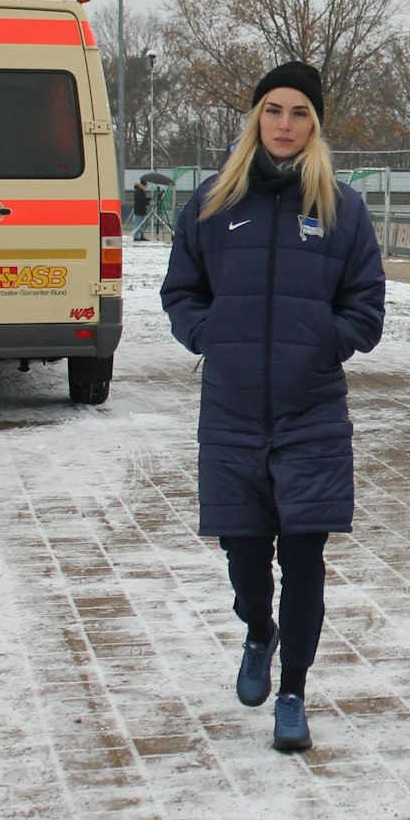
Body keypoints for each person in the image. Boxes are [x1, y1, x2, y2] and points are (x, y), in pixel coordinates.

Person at [161, 60, 386, 754]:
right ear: (255, 116)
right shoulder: (211, 203)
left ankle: (294, 690)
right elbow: (181, 292)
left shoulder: (341, 209)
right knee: (246, 558)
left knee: (306, 557)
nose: (285, 125)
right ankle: (259, 629)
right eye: (274, 110)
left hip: (310, 413)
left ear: (315, 126)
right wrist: (212, 337)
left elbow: (367, 308)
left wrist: (325, 341)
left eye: (299, 114)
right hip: (230, 412)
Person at [131, 177, 151, 242]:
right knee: (138, 224)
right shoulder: (140, 191)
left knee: (141, 224)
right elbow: (141, 200)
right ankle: (136, 237)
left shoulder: (139, 190)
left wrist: (147, 199)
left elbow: (142, 199)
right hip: (140, 210)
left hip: (140, 210)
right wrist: (147, 202)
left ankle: (141, 236)